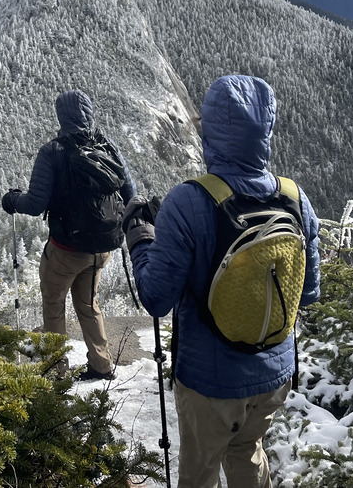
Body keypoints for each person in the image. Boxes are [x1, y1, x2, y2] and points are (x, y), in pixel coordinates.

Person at [123, 75, 320, 488]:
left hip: (210, 381)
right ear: (266, 129)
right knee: (248, 452)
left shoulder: (188, 200)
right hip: (273, 374)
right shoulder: (295, 198)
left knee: (200, 470)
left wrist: (141, 238)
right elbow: (309, 291)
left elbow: (156, 298)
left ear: (208, 131)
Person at [1, 89, 137, 381]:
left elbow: (36, 205)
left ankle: (57, 372)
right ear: (88, 112)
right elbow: (131, 193)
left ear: (60, 116)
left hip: (65, 250)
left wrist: (12, 200)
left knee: (53, 305)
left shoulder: (53, 151)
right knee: (89, 304)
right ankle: (102, 365)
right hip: (102, 248)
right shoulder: (107, 145)